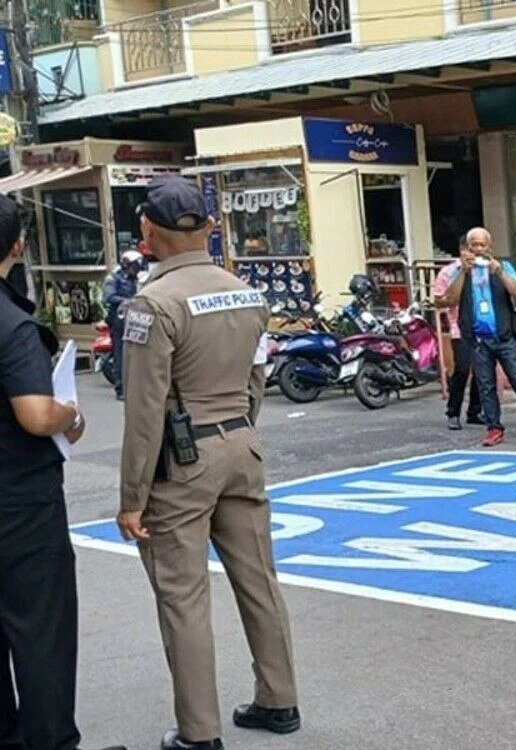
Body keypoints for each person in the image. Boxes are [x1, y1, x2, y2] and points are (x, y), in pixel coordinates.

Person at [118, 177, 299, 750]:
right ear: (208, 227)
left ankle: (199, 732)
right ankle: (279, 699)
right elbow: (255, 376)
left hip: (183, 456)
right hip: (241, 444)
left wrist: (131, 498)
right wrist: (238, 428)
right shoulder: (245, 292)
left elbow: (145, 411)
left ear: (147, 231)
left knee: (183, 595)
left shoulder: (154, 303)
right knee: (258, 579)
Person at [0, 194, 125, 750]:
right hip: (18, 503)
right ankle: (49, 741)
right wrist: (69, 414)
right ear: (19, 246)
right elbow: (34, 414)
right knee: (40, 630)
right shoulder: (12, 323)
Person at [441, 227, 516, 447]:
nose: (478, 249)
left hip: (503, 336)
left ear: (490, 246)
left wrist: (499, 272)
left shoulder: (503, 266)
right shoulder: (459, 270)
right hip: (477, 338)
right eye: (474, 245)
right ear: (468, 248)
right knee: (486, 386)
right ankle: (494, 428)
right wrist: (463, 273)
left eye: (482, 244)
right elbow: (449, 299)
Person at [433, 234, 482, 431]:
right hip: (459, 328)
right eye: (471, 248)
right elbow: (439, 300)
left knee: (482, 371)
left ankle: (475, 411)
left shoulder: (484, 269)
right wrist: (462, 272)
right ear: (463, 249)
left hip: (483, 327)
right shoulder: (448, 272)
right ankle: (453, 411)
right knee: (462, 369)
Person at [103, 250, 142, 401]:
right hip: (119, 318)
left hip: (134, 317)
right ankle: (121, 389)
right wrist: (129, 301)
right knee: (120, 352)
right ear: (127, 264)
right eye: (135, 265)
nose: (137, 268)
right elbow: (109, 297)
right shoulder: (113, 278)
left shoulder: (135, 279)